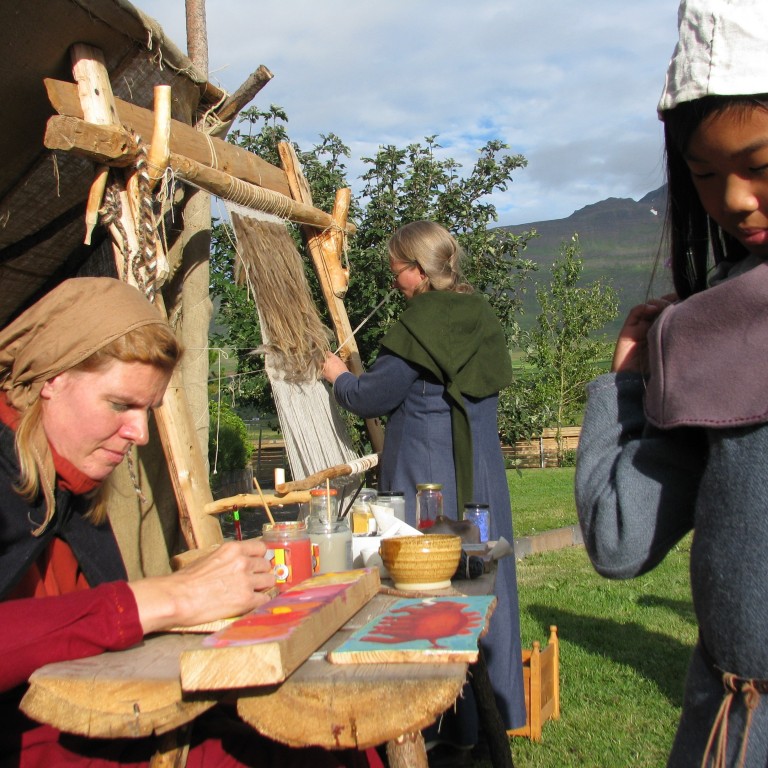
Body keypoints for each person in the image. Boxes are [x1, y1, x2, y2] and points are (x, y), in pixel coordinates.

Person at [0, 277, 380, 768]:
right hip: (50, 746)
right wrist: (173, 597)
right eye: (120, 404)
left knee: (341, 736)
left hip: (112, 724)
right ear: (51, 379)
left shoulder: (69, 489)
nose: (139, 433)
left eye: (148, 409)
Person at [575, 1, 768, 765]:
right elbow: (621, 542)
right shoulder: (706, 330)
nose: (734, 202)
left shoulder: (707, 332)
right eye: (705, 176)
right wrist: (634, 379)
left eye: (760, 165)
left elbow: (616, 539)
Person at [322, 221, 526, 759]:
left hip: (430, 480)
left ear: (418, 268)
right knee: (481, 587)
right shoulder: (479, 313)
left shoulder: (423, 322)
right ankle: (487, 720)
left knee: (426, 591)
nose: (396, 285)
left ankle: (434, 727)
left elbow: (372, 397)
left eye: (398, 274)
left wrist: (337, 373)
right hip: (478, 476)